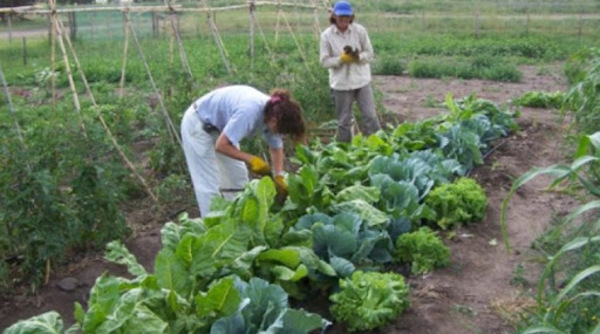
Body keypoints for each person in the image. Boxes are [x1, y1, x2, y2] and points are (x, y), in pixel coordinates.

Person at [181, 85, 306, 217]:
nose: (280, 134)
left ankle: (237, 223)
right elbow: (222, 146)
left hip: (220, 130)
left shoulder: (275, 113)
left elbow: (276, 148)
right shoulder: (249, 111)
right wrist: (251, 159)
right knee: (209, 183)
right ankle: (212, 225)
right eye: (281, 131)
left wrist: (279, 175)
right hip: (198, 124)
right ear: (274, 121)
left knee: (238, 178)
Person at [319, 0, 381, 143]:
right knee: (344, 121)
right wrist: (340, 60)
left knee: (370, 116)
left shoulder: (359, 31)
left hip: (361, 80)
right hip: (341, 83)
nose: (343, 20)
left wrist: (358, 57)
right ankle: (344, 151)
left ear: (351, 16)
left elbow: (369, 53)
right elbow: (324, 61)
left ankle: (380, 145)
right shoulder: (326, 36)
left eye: (346, 17)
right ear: (334, 16)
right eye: (340, 17)